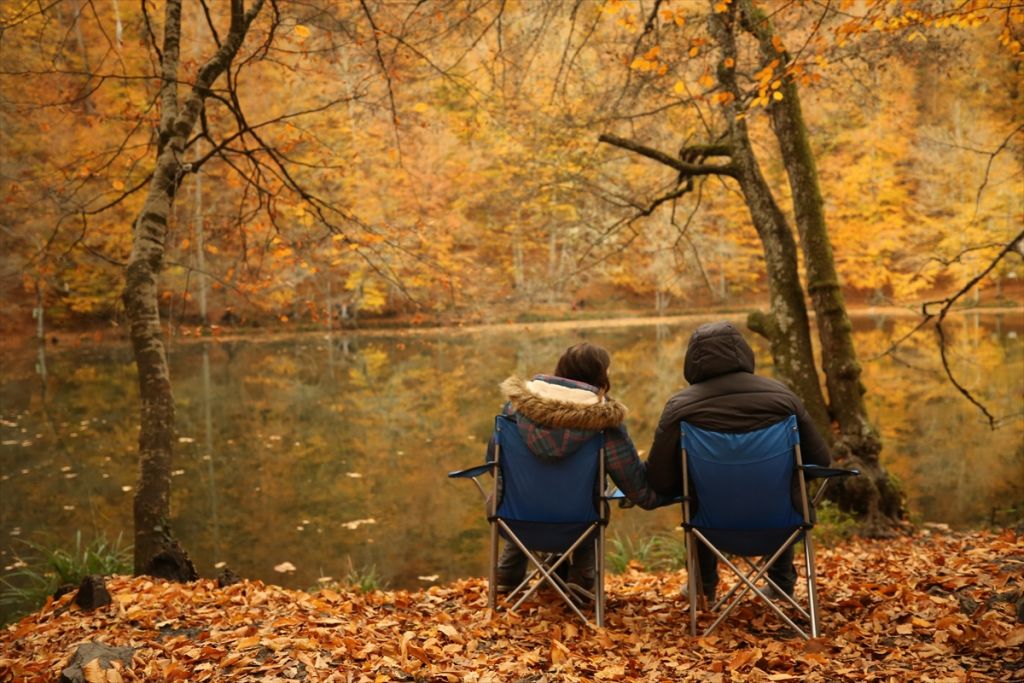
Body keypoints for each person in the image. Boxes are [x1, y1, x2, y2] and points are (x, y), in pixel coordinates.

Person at [645, 321, 832, 602]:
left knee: (699, 493)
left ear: (692, 361)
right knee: (782, 483)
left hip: (710, 527)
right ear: (744, 352)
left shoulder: (680, 407)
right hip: (784, 523)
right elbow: (821, 460)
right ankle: (781, 584)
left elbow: (659, 478)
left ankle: (704, 587)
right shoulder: (783, 398)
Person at [489, 342, 668, 595]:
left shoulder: (514, 409)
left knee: (523, 493)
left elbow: (493, 463)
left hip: (513, 520)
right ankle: (583, 576)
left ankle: (507, 572)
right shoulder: (604, 422)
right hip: (579, 524)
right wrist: (660, 495)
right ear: (600, 376)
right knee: (589, 498)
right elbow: (632, 481)